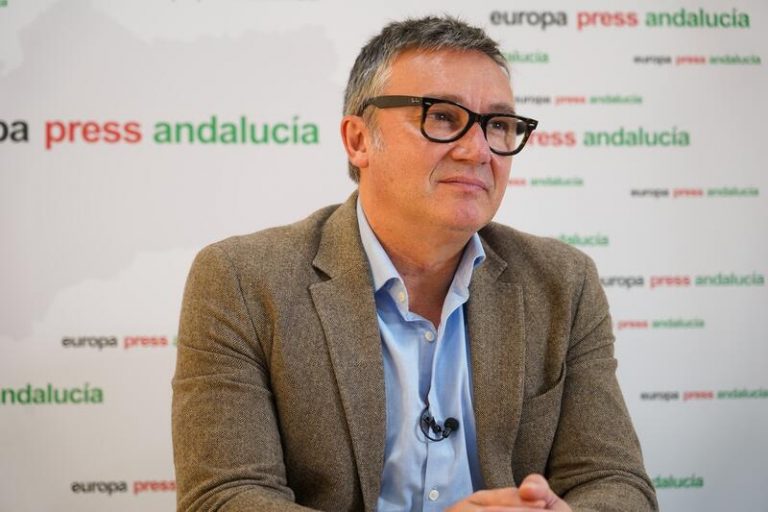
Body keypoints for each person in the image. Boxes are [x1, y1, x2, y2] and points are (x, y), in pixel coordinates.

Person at [172, 15, 658, 512]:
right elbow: (223, 498)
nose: (478, 150)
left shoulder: (563, 282)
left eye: (498, 125)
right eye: (442, 117)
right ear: (359, 140)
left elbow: (614, 481)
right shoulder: (242, 280)